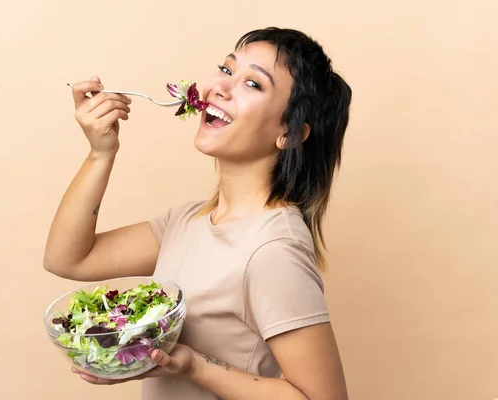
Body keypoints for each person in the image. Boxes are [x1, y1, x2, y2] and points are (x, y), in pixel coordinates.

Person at [44, 26, 352, 400]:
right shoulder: (187, 222)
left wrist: (194, 366)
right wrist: (100, 153)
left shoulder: (273, 248)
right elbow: (68, 258)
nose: (220, 88)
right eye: (226, 70)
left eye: (253, 84)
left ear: (289, 134)